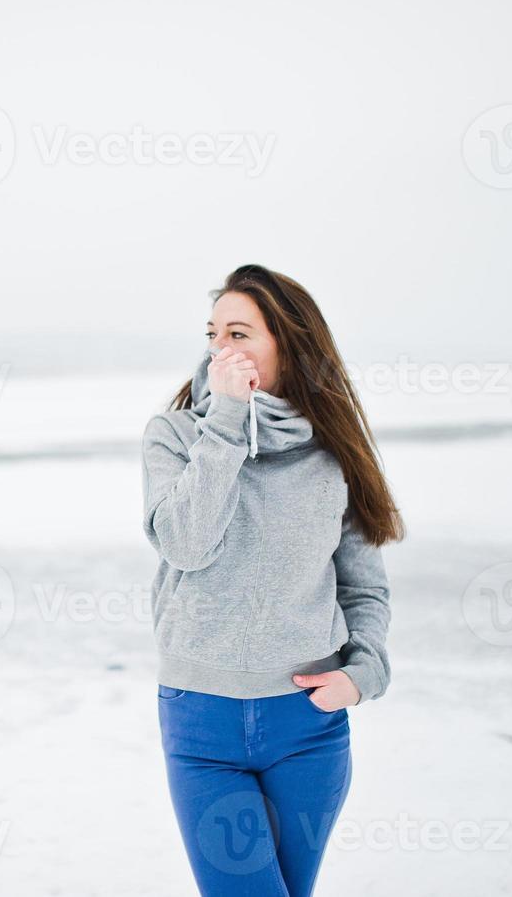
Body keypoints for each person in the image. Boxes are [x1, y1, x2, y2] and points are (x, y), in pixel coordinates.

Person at [140, 264, 403, 896]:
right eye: (214, 335)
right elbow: (186, 543)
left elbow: (363, 587)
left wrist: (364, 675)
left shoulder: (334, 452)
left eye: (240, 334)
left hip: (307, 727)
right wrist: (227, 420)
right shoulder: (175, 436)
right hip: (203, 724)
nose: (221, 350)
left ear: (288, 343)